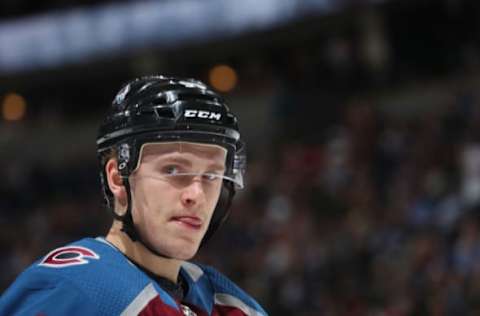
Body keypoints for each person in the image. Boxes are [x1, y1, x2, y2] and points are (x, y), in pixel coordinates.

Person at [0, 75, 268, 316]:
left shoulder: (229, 305)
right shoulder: (74, 289)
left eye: (211, 175)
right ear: (117, 178)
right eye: (173, 169)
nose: (196, 195)